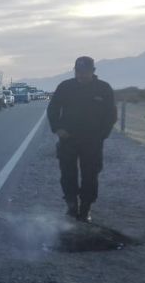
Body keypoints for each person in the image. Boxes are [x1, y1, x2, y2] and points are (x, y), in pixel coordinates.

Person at [47, 56, 117, 223]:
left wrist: (102, 135)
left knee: (90, 175)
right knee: (67, 174)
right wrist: (57, 128)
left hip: (92, 141)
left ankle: (86, 208)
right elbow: (53, 109)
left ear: (93, 71)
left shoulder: (103, 88)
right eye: (78, 71)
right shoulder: (65, 87)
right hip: (68, 139)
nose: (81, 75)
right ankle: (71, 206)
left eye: (85, 72)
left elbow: (111, 115)